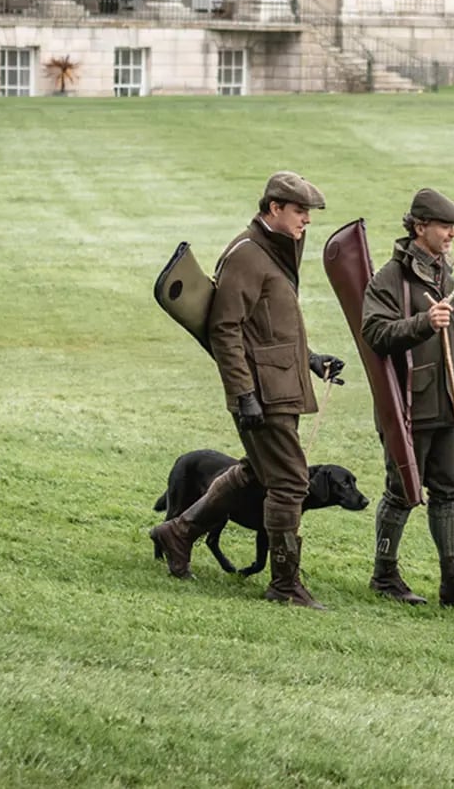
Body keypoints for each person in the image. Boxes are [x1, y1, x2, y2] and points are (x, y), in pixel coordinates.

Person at [149, 171, 348, 609]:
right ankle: (284, 584)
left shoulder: (273, 253)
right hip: (262, 392)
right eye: (300, 211)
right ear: (274, 208)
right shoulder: (247, 256)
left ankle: (178, 531)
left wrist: (311, 360)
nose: (306, 222)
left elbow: (270, 326)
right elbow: (225, 330)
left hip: (280, 385)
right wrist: (244, 394)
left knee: (258, 472)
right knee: (291, 482)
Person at [358, 188, 454, 608]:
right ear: (420, 227)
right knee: (402, 489)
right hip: (408, 405)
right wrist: (423, 322)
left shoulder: (443, 273)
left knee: (449, 489)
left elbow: (449, 330)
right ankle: (384, 574)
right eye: (444, 226)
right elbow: (374, 334)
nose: (452, 234)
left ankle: (452, 580)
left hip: (446, 401)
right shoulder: (389, 279)